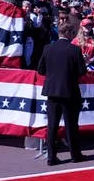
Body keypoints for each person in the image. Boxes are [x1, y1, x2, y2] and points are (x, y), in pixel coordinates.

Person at [37, 22, 87, 166]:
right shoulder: (75, 50)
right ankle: (75, 155)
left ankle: (51, 157)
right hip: (69, 92)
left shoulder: (48, 48)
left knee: (52, 125)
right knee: (71, 126)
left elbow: (41, 70)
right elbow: (82, 71)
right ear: (69, 33)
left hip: (52, 92)